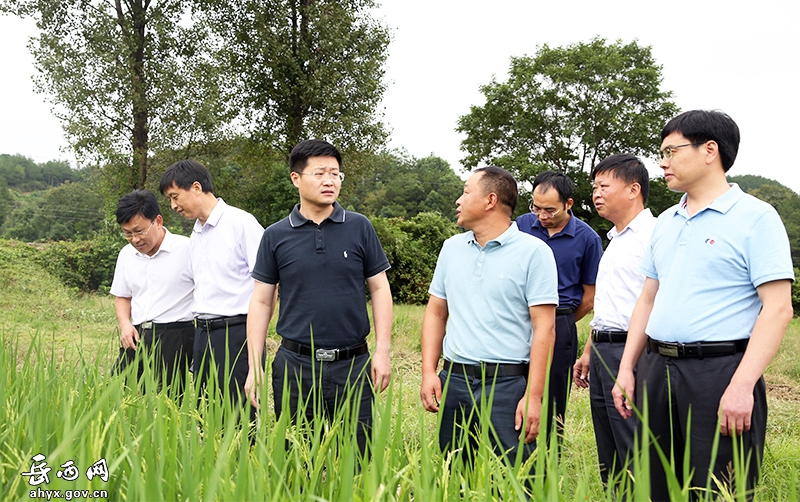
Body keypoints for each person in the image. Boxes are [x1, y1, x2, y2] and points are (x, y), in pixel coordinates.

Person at [612, 110, 794, 500]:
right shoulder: (666, 222)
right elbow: (648, 298)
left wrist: (742, 386)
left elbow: (778, 309)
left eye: (671, 151)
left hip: (719, 373)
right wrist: (627, 368)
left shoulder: (756, 218)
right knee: (652, 484)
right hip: (655, 370)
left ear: (709, 150)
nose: (662, 161)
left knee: (716, 489)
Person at [245, 139, 392, 455]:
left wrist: (382, 351)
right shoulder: (275, 235)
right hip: (296, 365)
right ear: (296, 178)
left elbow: (380, 288)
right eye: (320, 173)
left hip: (353, 364)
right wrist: (255, 364)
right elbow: (260, 301)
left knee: (358, 458)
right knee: (298, 456)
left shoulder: (360, 227)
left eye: (335, 174)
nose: (330, 181)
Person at [420, 166, 557, 467]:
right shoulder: (451, 248)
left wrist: (533, 397)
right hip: (454, 381)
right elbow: (435, 312)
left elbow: (544, 328)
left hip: (506, 385)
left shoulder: (535, 253)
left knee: (515, 479)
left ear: (490, 200)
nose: (458, 199)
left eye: (466, 191)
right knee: (454, 476)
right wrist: (429, 371)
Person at [571, 155, 656, 489]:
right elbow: (611, 304)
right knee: (609, 446)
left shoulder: (654, 235)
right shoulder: (615, 239)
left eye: (604, 186)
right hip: (605, 350)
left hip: (636, 353)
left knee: (634, 440)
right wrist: (589, 351)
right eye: (594, 187)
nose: (596, 193)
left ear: (633, 189)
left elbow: (652, 303)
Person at [159, 160, 264, 414]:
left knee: (240, 411)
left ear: (196, 187)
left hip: (237, 333)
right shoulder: (196, 234)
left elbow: (267, 283)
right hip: (203, 334)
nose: (173, 206)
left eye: (175, 197)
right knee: (208, 412)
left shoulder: (241, 224)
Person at [516, 171, 602, 441]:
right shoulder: (521, 226)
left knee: (551, 397)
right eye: (536, 208)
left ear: (569, 204)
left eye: (550, 210)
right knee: (515, 386)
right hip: (519, 319)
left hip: (561, 321)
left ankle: (547, 461)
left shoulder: (588, 239)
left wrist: (557, 322)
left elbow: (590, 296)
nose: (542, 216)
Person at [110, 190, 195, 394]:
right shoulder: (126, 254)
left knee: (164, 401)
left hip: (175, 334)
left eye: (139, 231)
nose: (134, 239)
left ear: (157, 221)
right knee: (116, 393)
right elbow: (122, 296)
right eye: (128, 233)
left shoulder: (187, 249)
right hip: (137, 333)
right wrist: (125, 325)